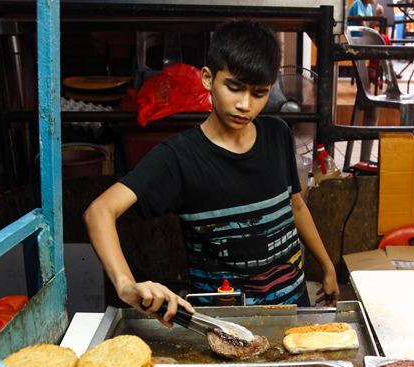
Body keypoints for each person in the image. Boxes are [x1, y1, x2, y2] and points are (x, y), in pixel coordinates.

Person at [84, 19, 339, 326]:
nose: (245, 104)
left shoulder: (277, 134)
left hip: (292, 308)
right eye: (234, 87)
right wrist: (126, 284)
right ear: (208, 78)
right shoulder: (179, 156)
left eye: (259, 93)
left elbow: (295, 206)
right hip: (222, 323)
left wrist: (326, 266)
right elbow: (99, 211)